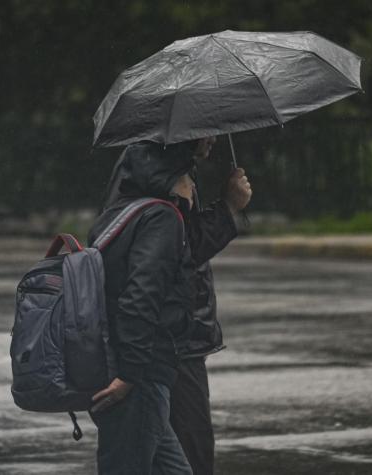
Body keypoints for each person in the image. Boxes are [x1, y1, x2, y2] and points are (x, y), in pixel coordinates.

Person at [100, 136, 252, 475]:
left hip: (161, 345)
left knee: (168, 458)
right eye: (206, 128)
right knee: (185, 451)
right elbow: (156, 273)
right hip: (167, 345)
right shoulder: (162, 184)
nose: (213, 137)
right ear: (184, 130)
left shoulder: (155, 170)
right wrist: (228, 208)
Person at [87, 141, 199, 475]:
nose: (193, 184)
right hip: (141, 375)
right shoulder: (162, 218)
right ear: (172, 176)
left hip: (122, 365)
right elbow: (141, 294)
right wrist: (130, 375)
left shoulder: (118, 216)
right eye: (189, 175)